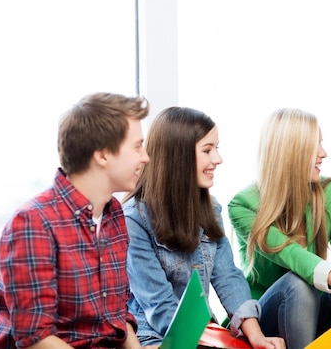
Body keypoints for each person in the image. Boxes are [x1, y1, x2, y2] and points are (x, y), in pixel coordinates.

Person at [228, 108, 331, 349]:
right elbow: (291, 255)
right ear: (290, 152)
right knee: (299, 283)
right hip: (266, 317)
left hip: (315, 312)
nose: (323, 153)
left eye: (321, 143)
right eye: (314, 145)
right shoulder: (244, 205)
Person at [0, 92, 149, 348]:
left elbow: (117, 318)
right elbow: (36, 338)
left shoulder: (114, 214)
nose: (145, 157)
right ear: (103, 155)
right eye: (136, 146)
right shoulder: (33, 222)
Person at [122, 107, 284, 349]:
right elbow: (160, 307)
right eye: (208, 150)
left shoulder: (210, 209)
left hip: (204, 334)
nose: (218, 159)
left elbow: (228, 277)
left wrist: (256, 337)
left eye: (216, 148)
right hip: (155, 338)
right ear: (178, 156)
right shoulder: (134, 219)